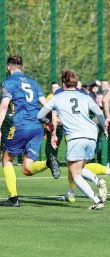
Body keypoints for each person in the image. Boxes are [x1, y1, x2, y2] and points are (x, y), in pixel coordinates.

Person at [0, 54, 60, 207]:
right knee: (27, 169)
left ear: (8, 67)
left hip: (20, 126)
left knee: (6, 159)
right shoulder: (33, 83)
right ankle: (48, 163)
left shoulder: (9, 82)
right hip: (36, 128)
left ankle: (13, 198)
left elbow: (4, 105)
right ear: (22, 67)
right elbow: (49, 106)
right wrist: (53, 128)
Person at [37, 69, 108, 210]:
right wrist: (104, 129)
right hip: (92, 134)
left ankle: (96, 200)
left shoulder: (57, 98)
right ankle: (98, 181)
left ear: (63, 83)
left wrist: (50, 122)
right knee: (79, 169)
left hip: (76, 136)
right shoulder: (85, 96)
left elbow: (40, 115)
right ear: (76, 83)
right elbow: (99, 114)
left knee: (73, 173)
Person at [44, 82, 63, 159]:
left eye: (56, 87)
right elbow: (47, 111)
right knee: (49, 143)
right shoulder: (49, 97)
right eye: (53, 87)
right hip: (52, 124)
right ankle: (49, 160)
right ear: (51, 89)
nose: (55, 89)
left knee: (57, 143)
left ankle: (54, 159)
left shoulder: (62, 97)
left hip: (60, 125)